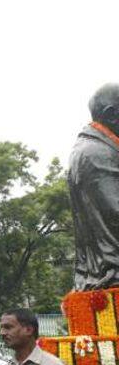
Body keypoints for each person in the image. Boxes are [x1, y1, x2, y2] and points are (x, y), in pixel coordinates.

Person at [68, 82, 119, 290]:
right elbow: (115, 213)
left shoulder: (99, 148)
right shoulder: (96, 153)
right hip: (111, 273)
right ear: (112, 114)